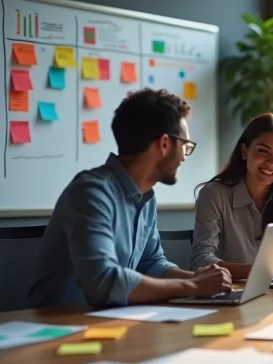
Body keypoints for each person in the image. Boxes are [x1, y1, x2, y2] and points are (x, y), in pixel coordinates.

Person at [29, 88, 233, 309]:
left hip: (110, 321)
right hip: (61, 327)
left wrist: (196, 279)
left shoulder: (146, 197)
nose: (185, 155)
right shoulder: (91, 193)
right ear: (164, 143)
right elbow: (103, 282)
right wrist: (193, 287)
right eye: (185, 145)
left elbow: (151, 263)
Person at [189, 113, 273, 280]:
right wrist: (259, 270)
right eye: (263, 152)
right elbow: (200, 260)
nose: (272, 162)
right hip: (228, 293)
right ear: (244, 151)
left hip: (272, 294)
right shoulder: (215, 194)